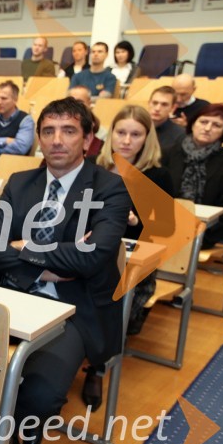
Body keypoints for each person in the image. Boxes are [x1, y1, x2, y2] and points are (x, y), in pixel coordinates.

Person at [0, 97, 131, 444]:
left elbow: (92, 258)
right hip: (13, 291)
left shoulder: (110, 188)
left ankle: (21, 426)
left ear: (88, 138)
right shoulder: (19, 183)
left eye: (68, 131)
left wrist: (25, 249)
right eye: (48, 131)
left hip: (74, 306)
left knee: (40, 393)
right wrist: (46, 264)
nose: (57, 140)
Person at [86, 105, 174, 405]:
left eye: (135, 134)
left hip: (134, 260)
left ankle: (96, 370)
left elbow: (166, 228)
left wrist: (136, 220)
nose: (126, 140)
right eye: (121, 133)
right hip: (91, 251)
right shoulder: (93, 168)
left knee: (110, 298)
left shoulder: (158, 175)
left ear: (147, 139)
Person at [162, 103, 223, 249]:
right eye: (203, 122)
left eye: (216, 125)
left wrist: (200, 230)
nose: (207, 128)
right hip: (165, 227)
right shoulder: (167, 154)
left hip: (208, 231)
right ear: (193, 123)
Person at [0, 80, 35, 155]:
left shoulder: (26, 120)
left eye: (4, 98)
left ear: (15, 99)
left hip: (14, 164)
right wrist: (5, 140)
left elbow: (21, 148)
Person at [148, 86, 185, 152]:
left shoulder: (180, 135)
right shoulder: (136, 128)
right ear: (149, 103)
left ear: (173, 108)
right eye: (155, 103)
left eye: (164, 104)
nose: (157, 108)